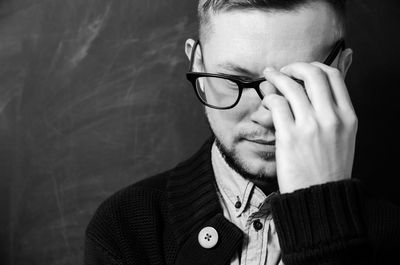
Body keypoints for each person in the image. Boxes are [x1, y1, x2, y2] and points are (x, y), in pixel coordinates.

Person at [84, 0, 400, 264]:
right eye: (235, 81)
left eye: (295, 83)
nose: (268, 115)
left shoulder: (391, 234)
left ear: (340, 71)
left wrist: (324, 219)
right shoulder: (125, 228)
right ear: (197, 65)